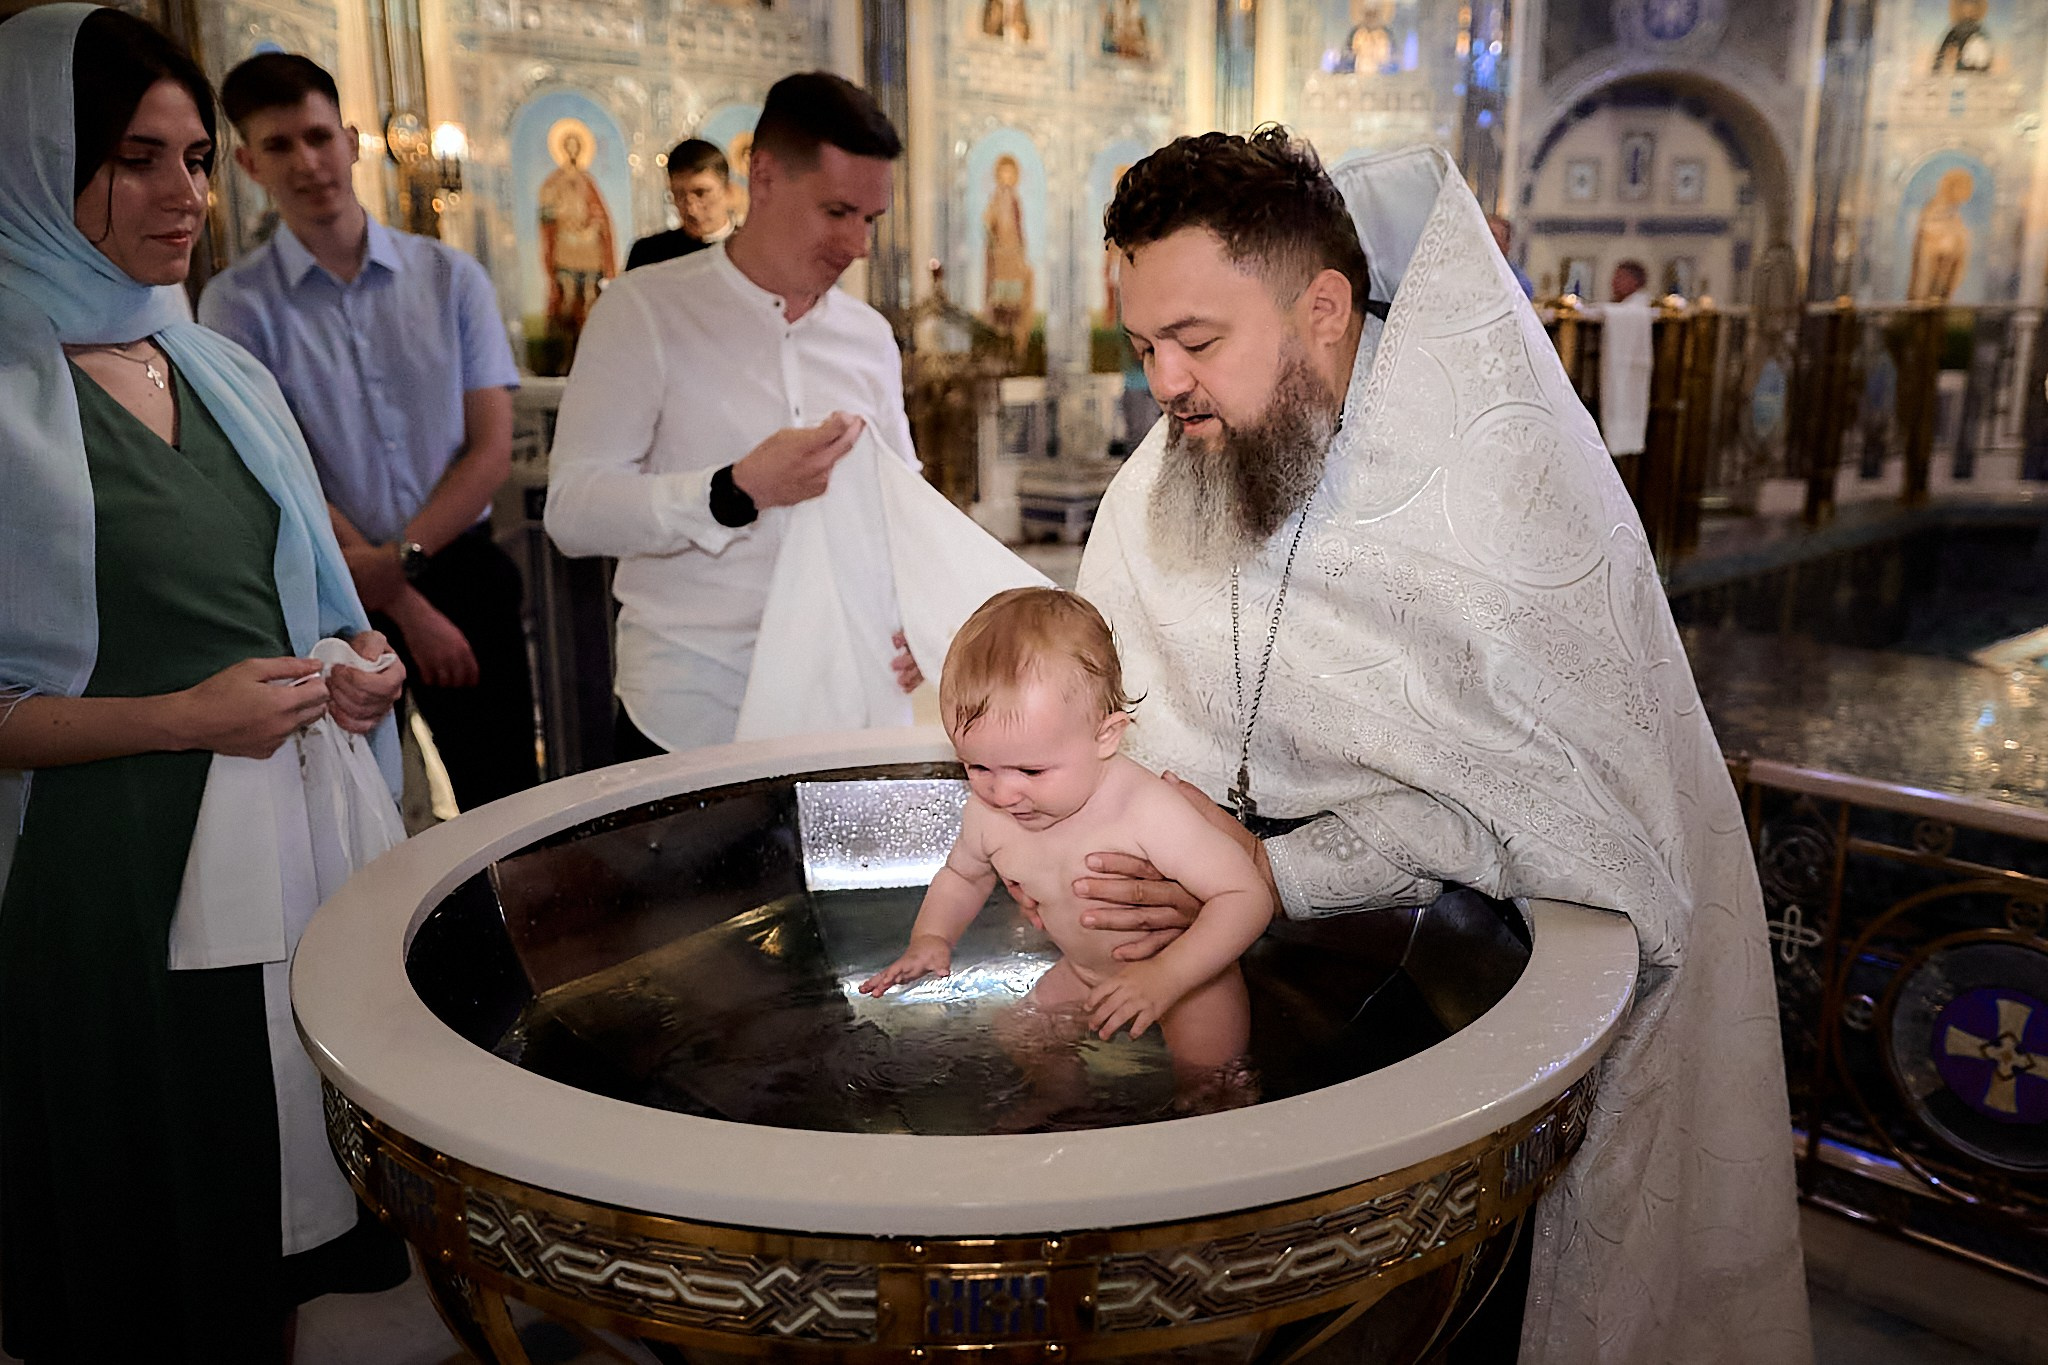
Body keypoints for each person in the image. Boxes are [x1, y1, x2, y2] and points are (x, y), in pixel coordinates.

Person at [1071, 130, 1810, 1364]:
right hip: (1214, 987)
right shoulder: (1169, 475)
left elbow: (1563, 824)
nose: (1163, 385)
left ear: (1320, 309)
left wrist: (1278, 876)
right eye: (1142, 347)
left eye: (1196, 342)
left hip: (1453, 1011)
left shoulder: (1499, 498)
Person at [0, 6, 408, 1359]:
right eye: (137, 157)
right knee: (144, 1249)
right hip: (102, 888)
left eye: (192, 158)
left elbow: (307, 608)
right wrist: (183, 718)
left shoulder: (218, 365)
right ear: (30, 159)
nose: (187, 194)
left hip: (280, 860)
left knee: (262, 1223)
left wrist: (356, 668)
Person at [545, 72, 922, 758]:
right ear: (766, 176)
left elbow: (905, 504)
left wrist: (925, 617)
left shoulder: (867, 335)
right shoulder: (644, 311)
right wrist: (733, 490)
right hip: (692, 712)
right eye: (837, 212)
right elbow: (572, 511)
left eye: (870, 220)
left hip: (847, 709)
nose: (859, 245)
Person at [201, 52, 537, 812]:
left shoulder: (453, 278)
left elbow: (489, 451)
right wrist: (395, 596)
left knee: (505, 798)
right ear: (249, 161)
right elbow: (277, 471)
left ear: (351, 141)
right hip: (323, 584)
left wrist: (405, 565)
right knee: (363, 814)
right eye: (279, 146)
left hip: (460, 569)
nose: (308, 162)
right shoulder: (235, 306)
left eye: (319, 137)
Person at [861, 588, 1269, 1096]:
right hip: (1085, 971)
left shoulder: (1144, 809)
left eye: (1031, 769)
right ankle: (1064, 1101)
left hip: (1190, 983)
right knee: (1022, 1032)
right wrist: (932, 938)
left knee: (1210, 1084)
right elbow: (962, 875)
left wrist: (1165, 976)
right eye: (977, 766)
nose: (1004, 791)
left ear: (1106, 736)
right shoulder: (988, 811)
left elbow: (1245, 896)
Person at [539, 124, 618, 349]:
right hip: (566, 245)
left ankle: (593, 343)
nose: (572, 152)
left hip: (588, 246)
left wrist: (592, 225)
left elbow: (599, 213)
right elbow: (547, 214)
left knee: (590, 296)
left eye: (576, 147)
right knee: (568, 296)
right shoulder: (554, 181)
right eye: (569, 147)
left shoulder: (587, 181)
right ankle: (565, 348)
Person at [626, 138, 733, 271]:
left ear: (728, 190)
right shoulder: (648, 255)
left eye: (701, 193)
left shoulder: (754, 250)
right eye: (680, 195)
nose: (691, 209)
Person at [1598, 257, 1653, 463]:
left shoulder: (1637, 309)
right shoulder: (1621, 308)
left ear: (1635, 282)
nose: (1613, 282)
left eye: (1620, 277)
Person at [1487, 211, 1536, 300]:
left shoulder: (1517, 280)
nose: (1487, 238)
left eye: (1493, 234)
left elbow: (1523, 293)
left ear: (1506, 245)